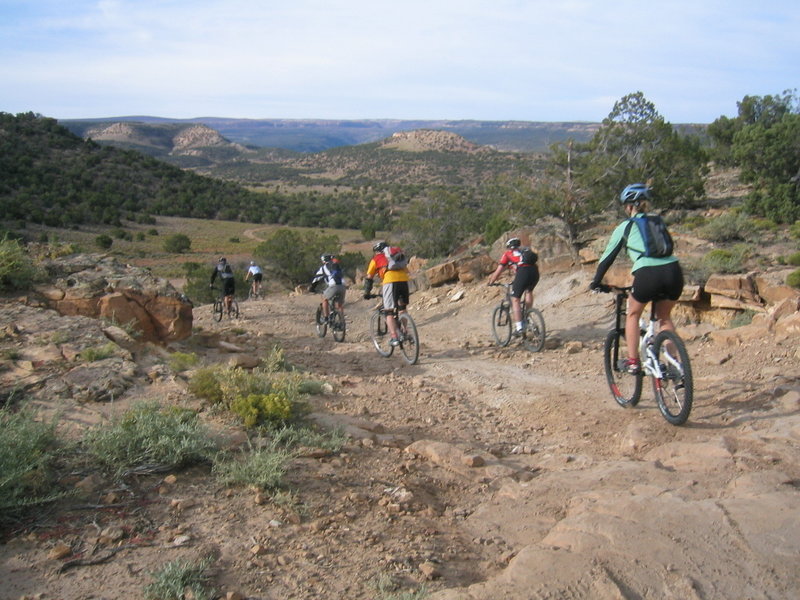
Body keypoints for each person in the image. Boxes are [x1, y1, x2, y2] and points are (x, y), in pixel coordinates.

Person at [589, 183, 684, 374]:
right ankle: (677, 366)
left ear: (629, 206)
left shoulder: (626, 226)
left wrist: (596, 282)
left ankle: (633, 362)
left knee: (633, 314)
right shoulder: (658, 222)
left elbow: (607, 257)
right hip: (673, 270)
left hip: (648, 273)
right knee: (664, 317)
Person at [486, 237, 540, 336]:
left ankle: (519, 327)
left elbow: (499, 270)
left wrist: (491, 281)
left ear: (509, 247)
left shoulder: (507, 254)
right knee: (528, 291)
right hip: (535, 271)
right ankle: (528, 316)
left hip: (523, 272)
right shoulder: (525, 250)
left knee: (515, 299)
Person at [363, 241, 410, 347]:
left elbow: (369, 277)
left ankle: (394, 337)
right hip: (404, 280)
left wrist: (367, 292)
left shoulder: (376, 258)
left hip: (390, 282)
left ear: (377, 251)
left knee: (388, 312)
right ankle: (405, 331)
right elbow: (406, 270)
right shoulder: (396, 254)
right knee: (402, 308)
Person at [310, 254, 346, 320]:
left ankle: (326, 318)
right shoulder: (336, 265)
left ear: (323, 261)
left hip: (333, 285)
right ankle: (342, 322)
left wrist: (312, 288)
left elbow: (316, 279)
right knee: (339, 305)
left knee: (324, 299)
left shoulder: (323, 268)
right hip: (343, 286)